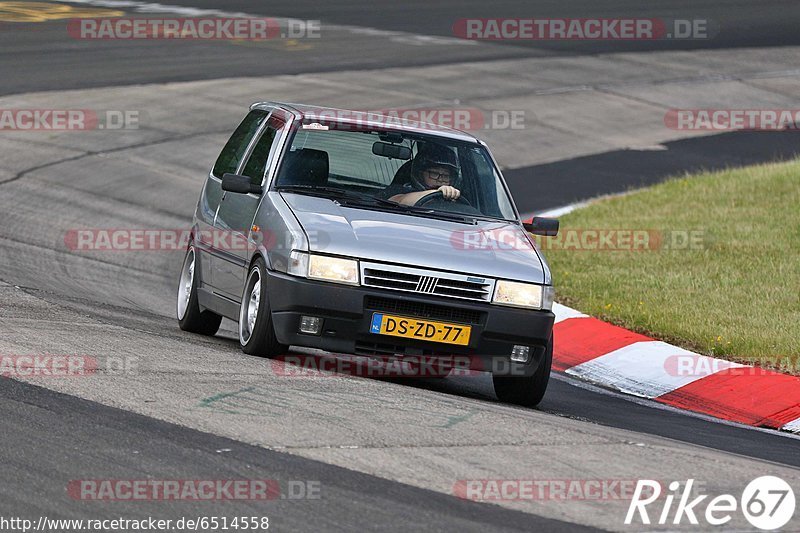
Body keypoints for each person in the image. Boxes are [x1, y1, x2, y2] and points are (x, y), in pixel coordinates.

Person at [382, 143, 462, 206]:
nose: (440, 179)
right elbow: (398, 201)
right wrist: (435, 193)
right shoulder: (401, 189)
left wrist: (451, 195)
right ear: (420, 174)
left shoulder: (457, 199)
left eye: (446, 176)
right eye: (434, 173)